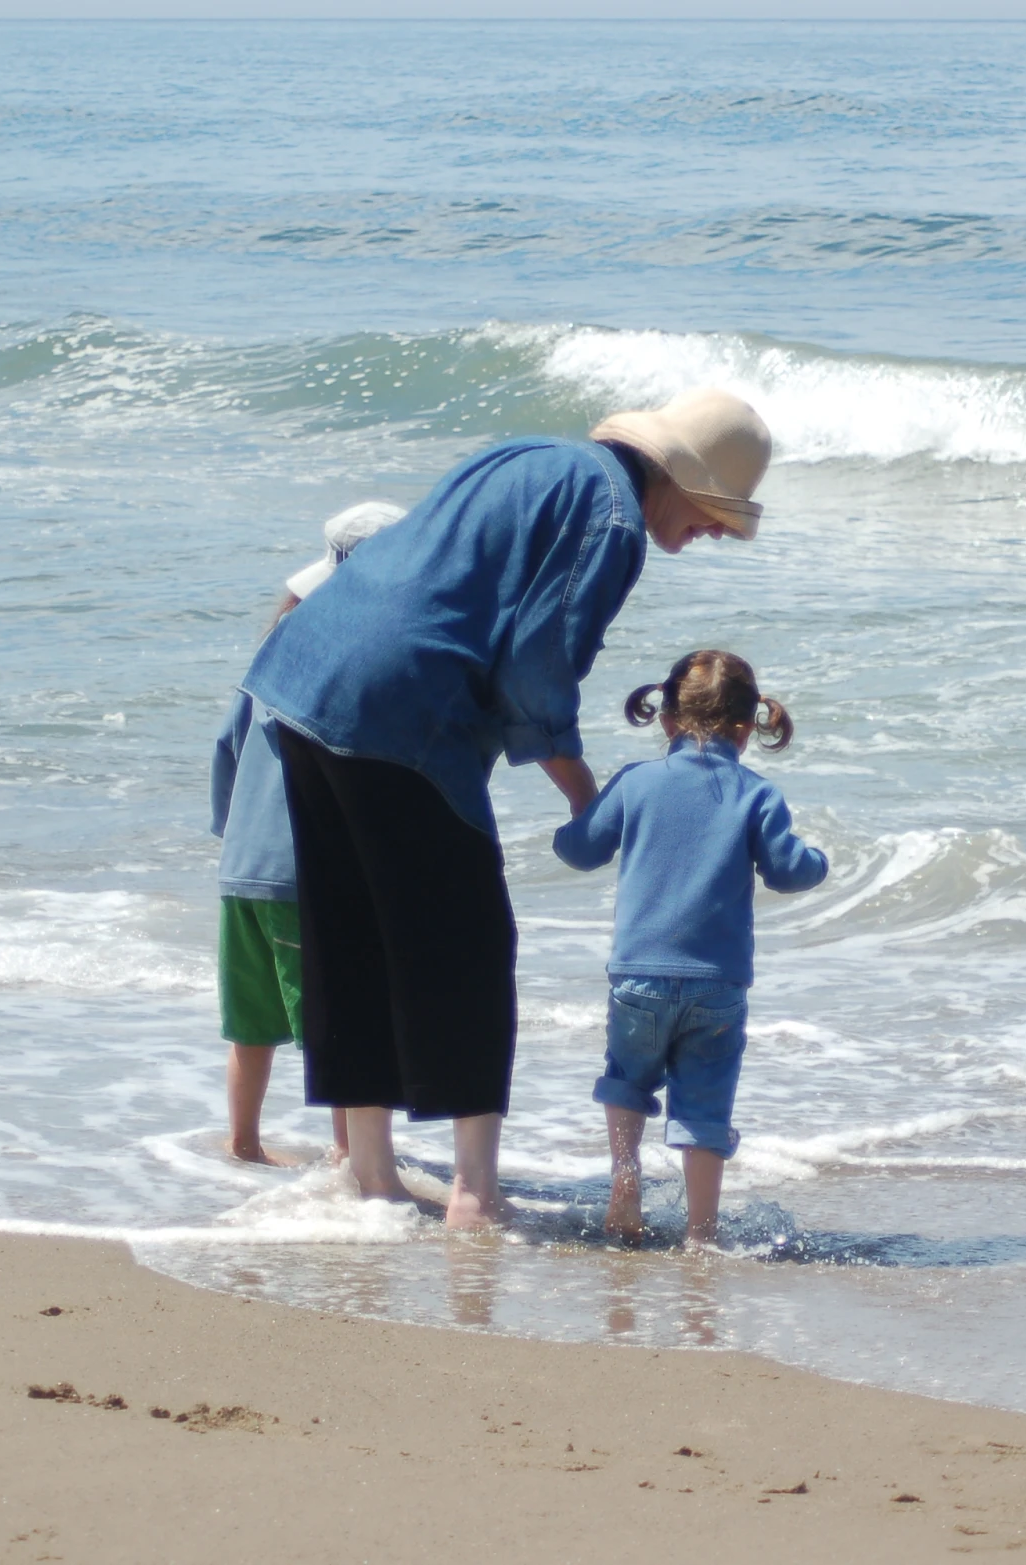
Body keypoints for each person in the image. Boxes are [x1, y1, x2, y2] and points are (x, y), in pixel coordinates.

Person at [237, 388, 773, 1229]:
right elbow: (536, 667)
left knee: (355, 933)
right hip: (400, 708)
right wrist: (583, 790)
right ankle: (473, 1194)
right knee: (472, 944)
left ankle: (369, 1173)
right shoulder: (614, 521)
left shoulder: (530, 456)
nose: (711, 531)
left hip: (304, 675)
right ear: (675, 476)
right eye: (713, 513)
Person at [552, 650, 828, 1246]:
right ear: (744, 729)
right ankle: (702, 1234)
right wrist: (818, 861)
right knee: (704, 1106)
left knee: (626, 1078)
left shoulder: (635, 781)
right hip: (717, 985)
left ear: (667, 720)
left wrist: (572, 822)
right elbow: (788, 871)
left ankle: (625, 1183)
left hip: (638, 978)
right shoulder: (757, 795)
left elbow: (580, 851)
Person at [209, 501, 405, 1166]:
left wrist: (231, 836)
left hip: (242, 869)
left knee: (251, 1028)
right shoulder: (353, 666)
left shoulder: (276, 650)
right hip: (302, 872)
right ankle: (353, 1161)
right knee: (336, 1026)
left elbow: (226, 748)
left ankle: (244, 1142)